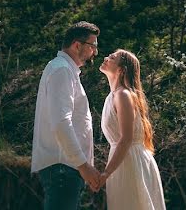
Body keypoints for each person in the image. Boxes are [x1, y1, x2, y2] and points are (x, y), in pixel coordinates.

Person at [32, 21, 102, 210]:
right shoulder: (62, 70)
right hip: (63, 168)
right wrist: (83, 165)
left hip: (66, 167)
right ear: (77, 45)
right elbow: (61, 123)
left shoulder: (65, 70)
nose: (95, 52)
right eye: (92, 45)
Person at [95, 49, 165, 210]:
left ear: (121, 70)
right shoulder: (112, 96)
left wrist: (106, 173)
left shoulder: (123, 95)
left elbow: (126, 139)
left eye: (112, 57)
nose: (106, 57)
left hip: (131, 162)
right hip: (122, 161)